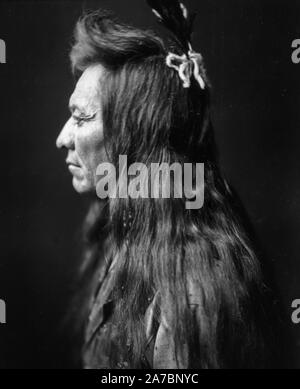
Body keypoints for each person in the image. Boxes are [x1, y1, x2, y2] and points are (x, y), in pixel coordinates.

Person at [56, 0, 271, 369]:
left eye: (81, 117)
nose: (63, 138)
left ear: (135, 138)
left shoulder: (194, 291)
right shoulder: (116, 233)